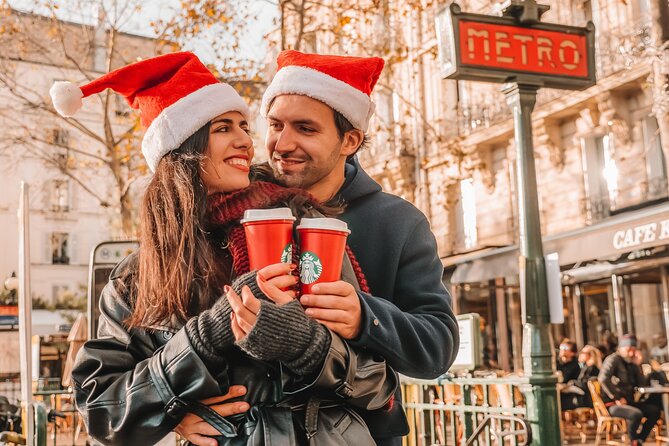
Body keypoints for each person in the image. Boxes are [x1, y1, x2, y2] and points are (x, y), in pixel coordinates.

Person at [53, 52, 396, 445]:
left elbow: (378, 384)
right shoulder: (136, 277)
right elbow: (101, 409)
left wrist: (308, 346)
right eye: (222, 128)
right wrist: (200, 345)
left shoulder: (307, 233)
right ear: (182, 148)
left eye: (244, 127)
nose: (245, 142)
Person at [257, 49, 460, 444]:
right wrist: (179, 410)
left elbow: (438, 345)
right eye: (275, 124)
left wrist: (366, 317)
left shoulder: (398, 222)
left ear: (350, 140)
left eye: (305, 128)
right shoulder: (243, 208)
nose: (283, 143)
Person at [598, 334, 661, 445]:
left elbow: (641, 384)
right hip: (613, 404)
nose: (631, 353)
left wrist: (638, 365)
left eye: (633, 350)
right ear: (621, 348)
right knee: (636, 414)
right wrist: (616, 397)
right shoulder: (613, 359)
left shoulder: (631, 363)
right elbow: (603, 379)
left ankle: (639, 439)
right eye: (629, 349)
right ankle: (633, 441)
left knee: (654, 411)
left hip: (629, 402)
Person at [557, 339, 580, 410]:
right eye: (561, 348)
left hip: (569, 395)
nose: (562, 350)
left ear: (573, 353)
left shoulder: (576, 365)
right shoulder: (556, 363)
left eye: (565, 348)